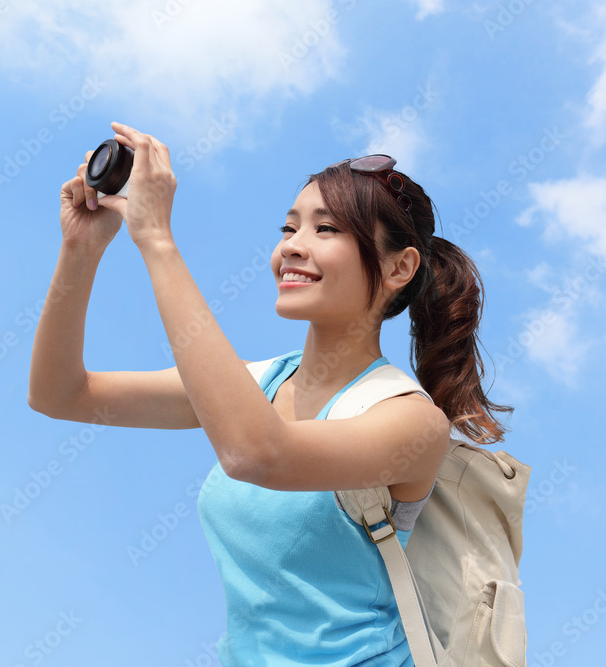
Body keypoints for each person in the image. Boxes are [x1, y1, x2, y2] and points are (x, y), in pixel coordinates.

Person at [27, 121, 512, 665]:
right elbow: (60, 394)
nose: (293, 248)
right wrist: (79, 250)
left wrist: (157, 240)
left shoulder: (410, 422)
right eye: (288, 228)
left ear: (400, 267)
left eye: (326, 230)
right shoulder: (255, 385)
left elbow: (256, 453)